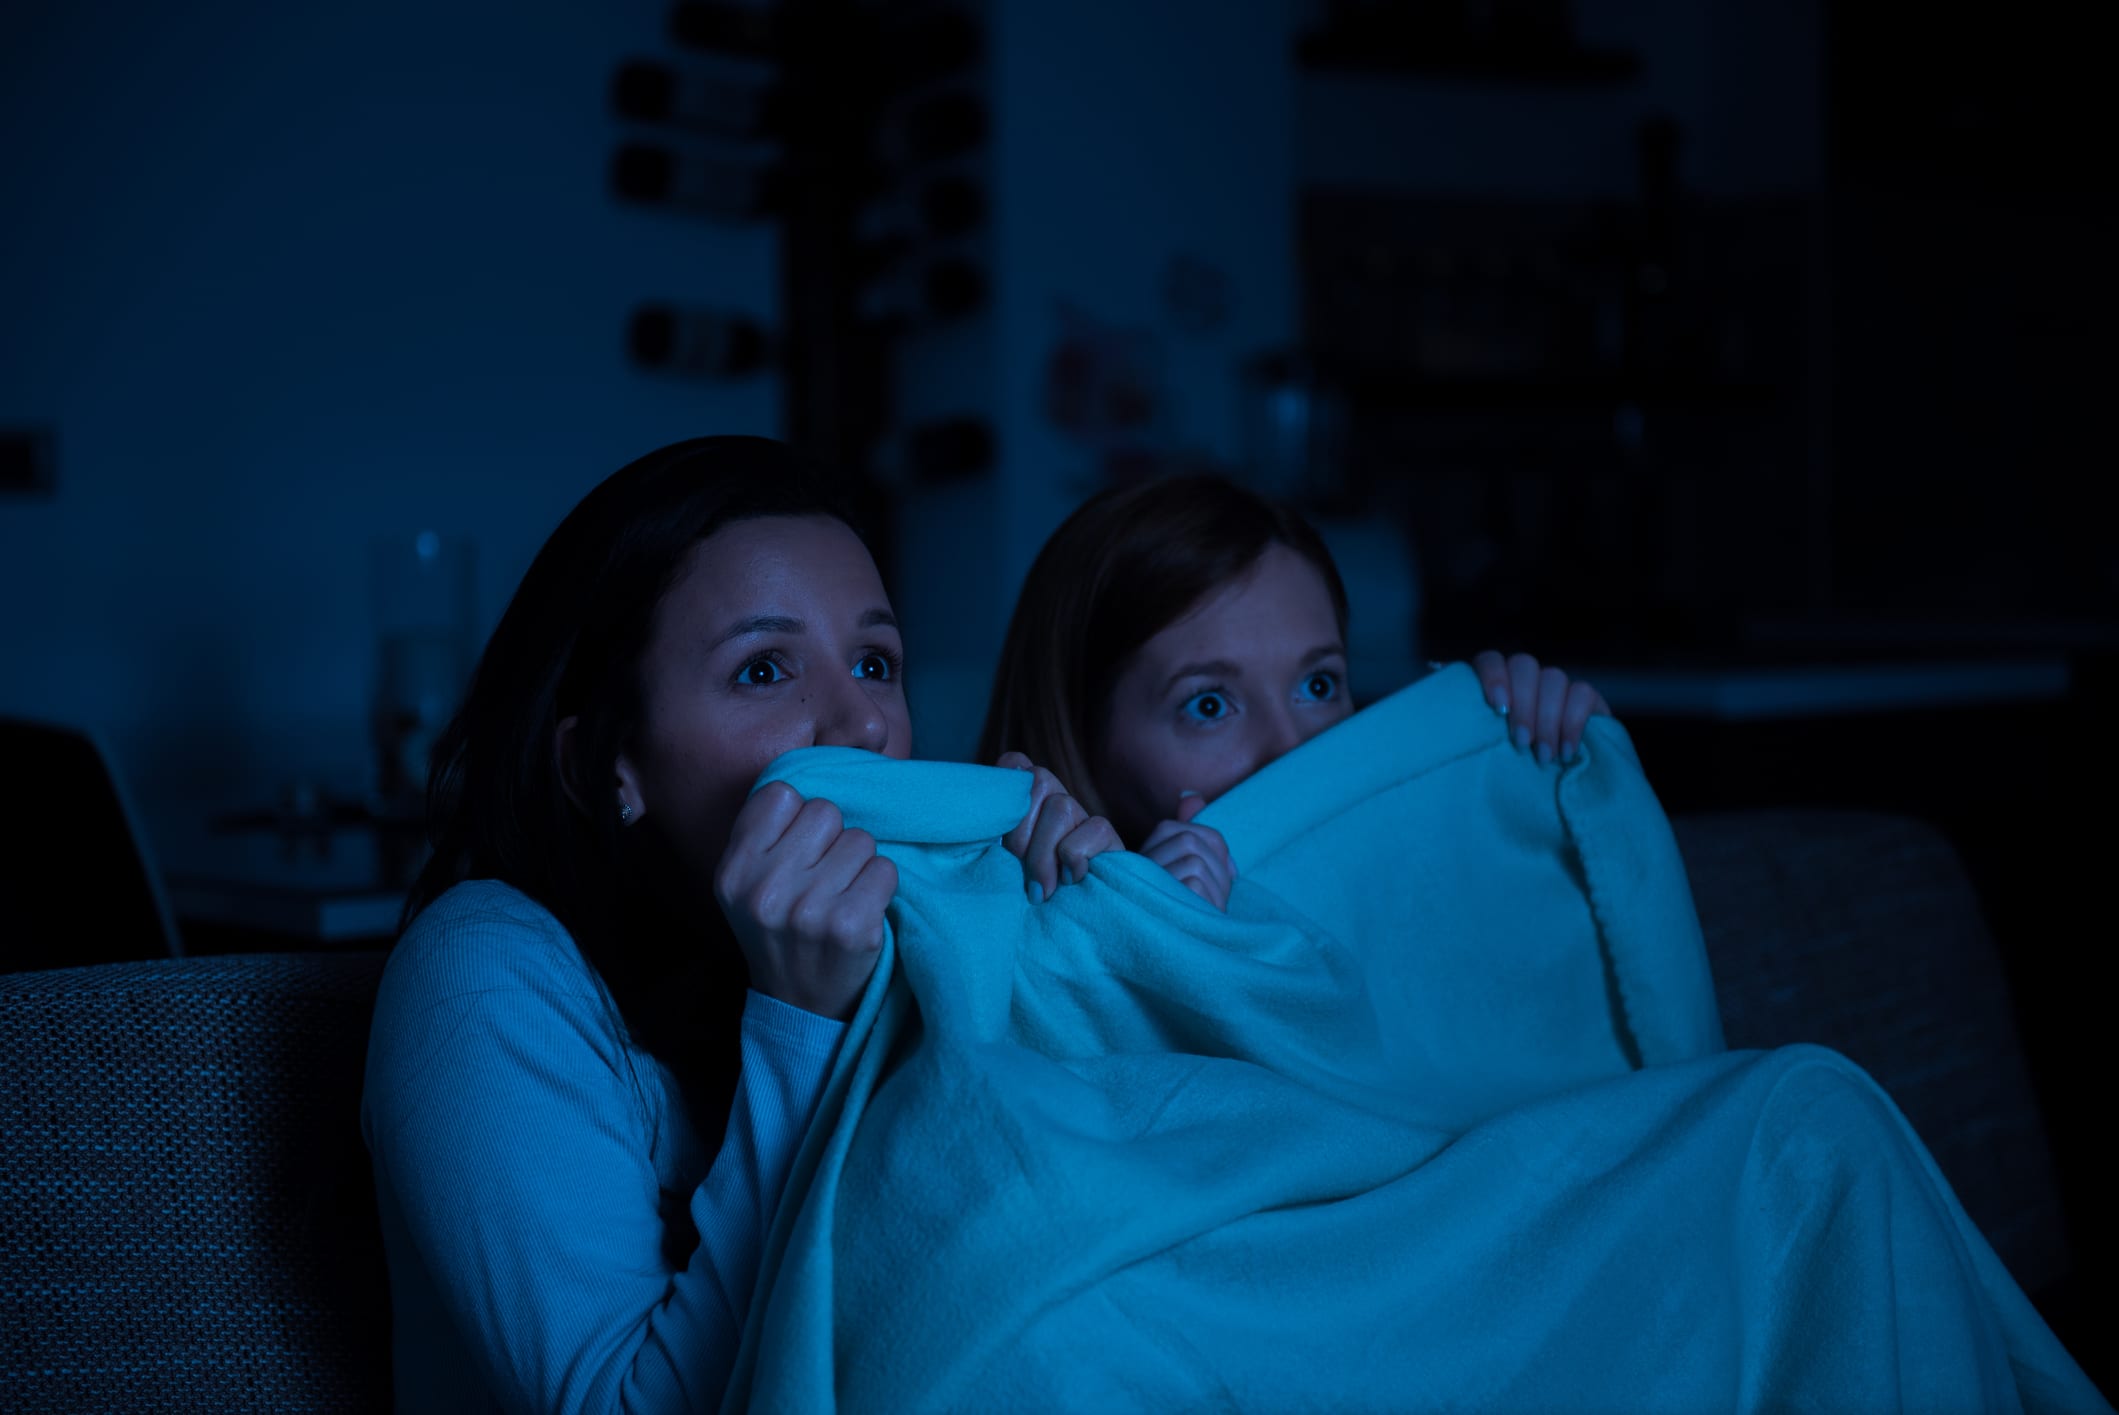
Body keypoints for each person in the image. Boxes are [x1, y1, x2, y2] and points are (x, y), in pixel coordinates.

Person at [360, 436, 1121, 1412]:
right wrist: (801, 1024)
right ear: (607, 762)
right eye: (765, 669)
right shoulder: (481, 972)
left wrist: (1063, 952)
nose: (861, 727)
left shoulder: (892, 946)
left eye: (875, 661)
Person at [976, 472, 1611, 909]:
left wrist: (1539, 774)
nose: (1293, 749)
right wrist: (1174, 954)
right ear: (1081, 743)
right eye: (1209, 705)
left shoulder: (1402, 867)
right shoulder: (1013, 950)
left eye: (1318, 683)